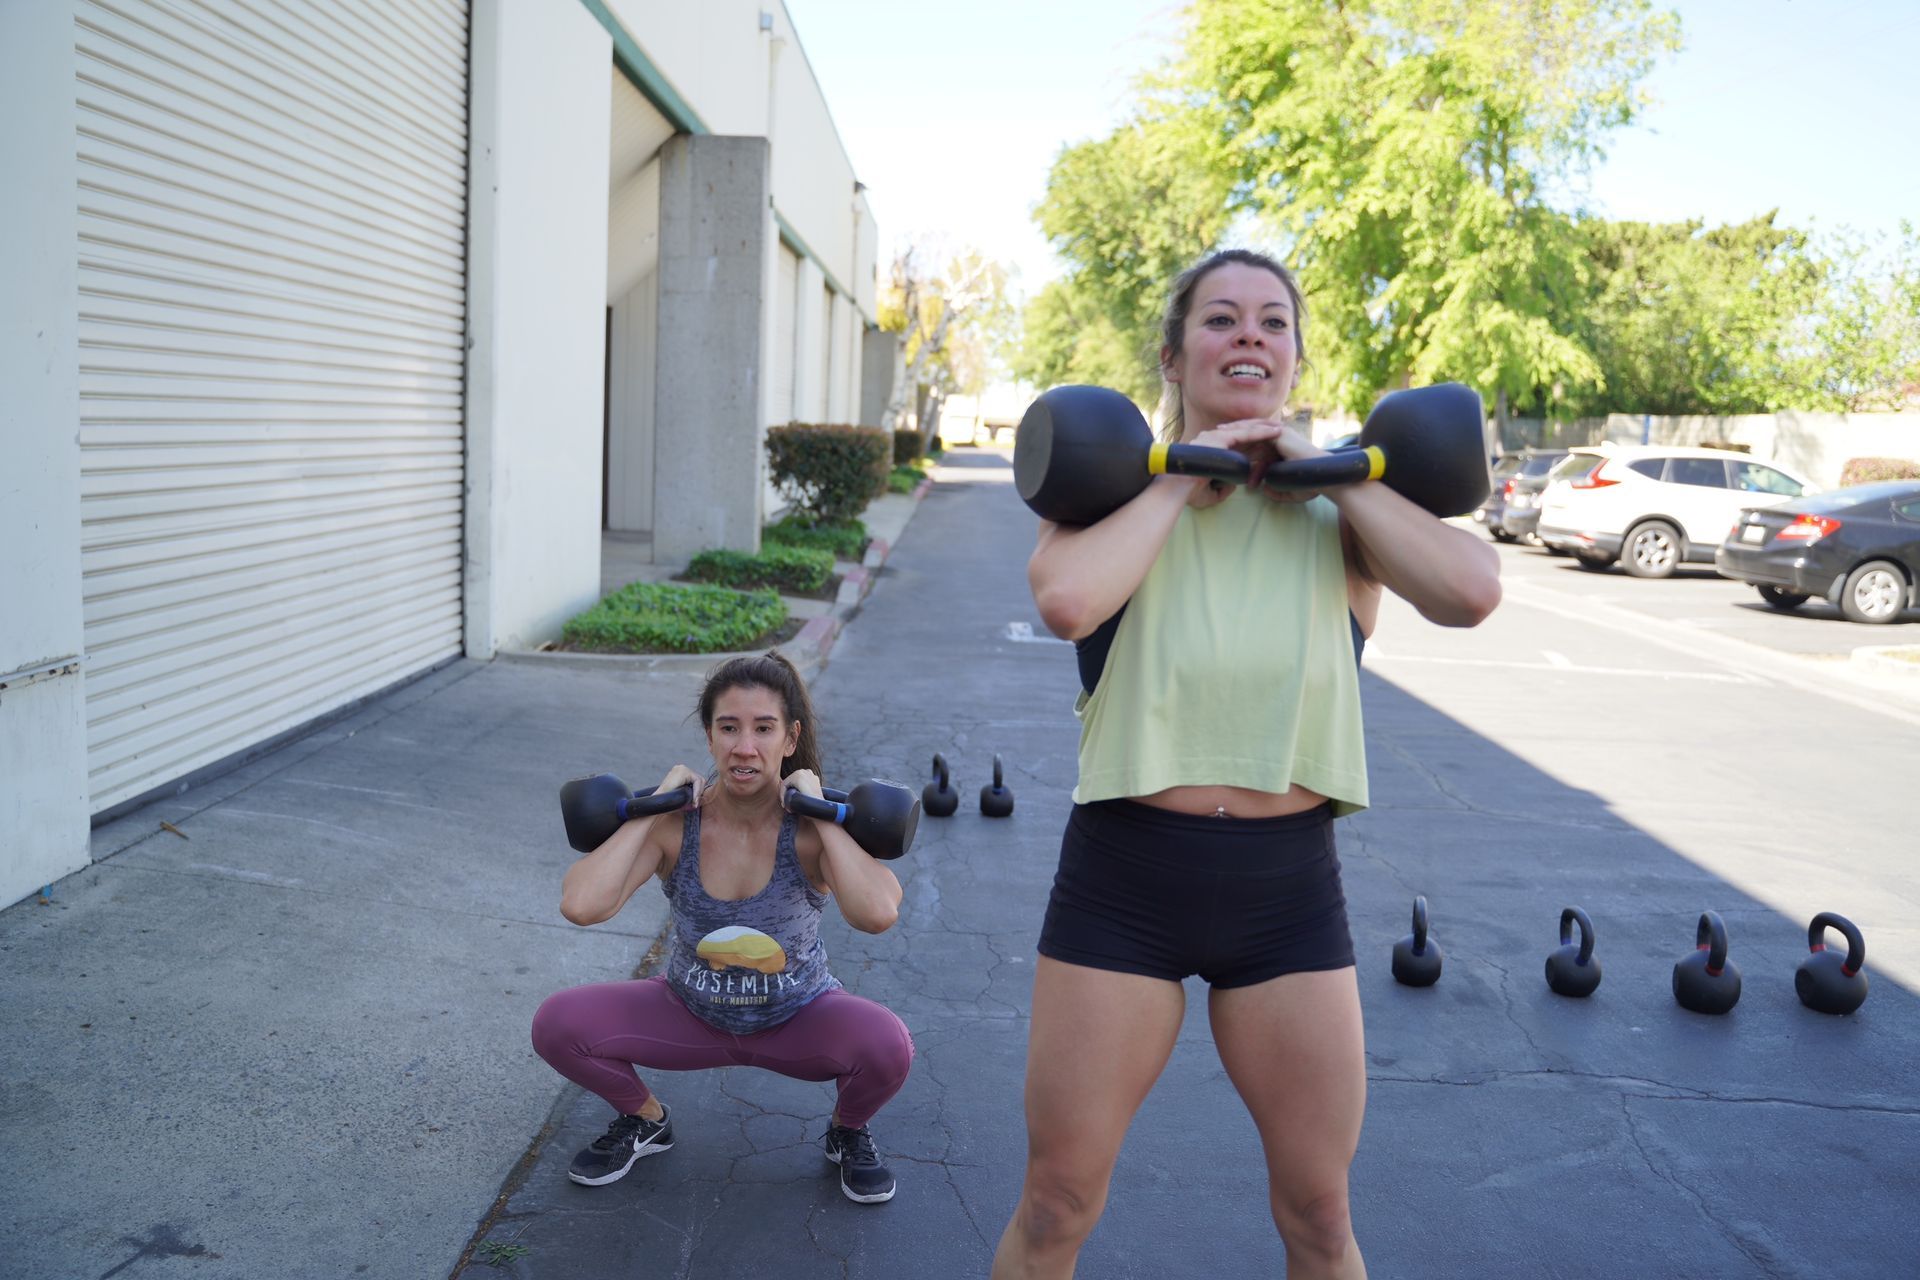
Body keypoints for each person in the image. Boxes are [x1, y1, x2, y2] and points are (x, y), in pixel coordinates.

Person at [992, 249, 1501, 1278]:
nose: (1250, 337)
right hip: (1125, 879)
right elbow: (1067, 601)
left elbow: (1472, 589)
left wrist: (1326, 468)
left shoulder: (1342, 510)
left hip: (1287, 895)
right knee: (1056, 1200)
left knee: (1318, 1211)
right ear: (1175, 355)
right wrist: (1187, 480)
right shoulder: (1115, 496)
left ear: (1298, 361)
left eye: (1274, 323)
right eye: (1221, 320)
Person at [532, 652, 914, 1205]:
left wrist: (819, 807)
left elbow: (878, 913)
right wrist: (650, 808)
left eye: (764, 729)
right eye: (728, 727)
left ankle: (847, 1130)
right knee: (558, 1024)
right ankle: (645, 1120)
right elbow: (582, 905)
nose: (744, 746)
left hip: (798, 1016)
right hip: (689, 1013)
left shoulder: (811, 833)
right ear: (709, 736)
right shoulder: (672, 827)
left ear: (790, 738)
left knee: (887, 1046)